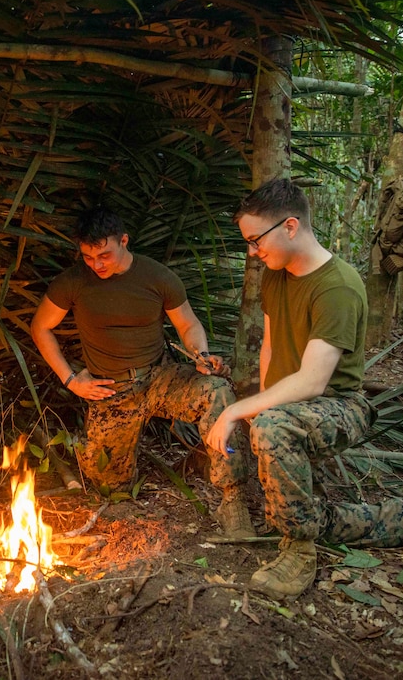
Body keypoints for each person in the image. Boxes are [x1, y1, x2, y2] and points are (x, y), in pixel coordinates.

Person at [205, 178, 403, 600]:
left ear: (289, 226)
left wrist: (244, 413)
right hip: (291, 411)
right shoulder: (276, 275)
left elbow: (313, 381)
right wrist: (259, 408)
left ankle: (299, 554)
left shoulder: (337, 286)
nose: (252, 251)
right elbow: (270, 348)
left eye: (255, 240)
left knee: (270, 431)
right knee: (294, 505)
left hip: (338, 407)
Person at [30, 205, 254, 538]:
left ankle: (232, 498)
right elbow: (40, 328)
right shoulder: (73, 281)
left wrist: (200, 354)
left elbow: (188, 323)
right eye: (89, 257)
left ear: (124, 240)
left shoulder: (158, 277)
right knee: (106, 485)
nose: (97, 265)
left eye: (104, 255)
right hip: (111, 389)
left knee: (216, 391)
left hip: (157, 377)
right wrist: (71, 380)